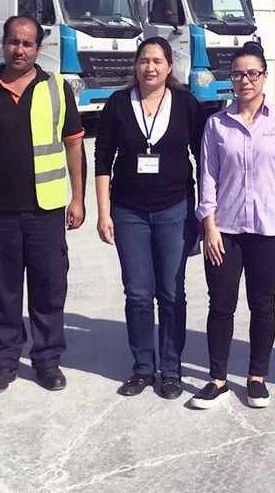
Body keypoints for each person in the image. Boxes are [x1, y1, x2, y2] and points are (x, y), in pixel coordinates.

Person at [0, 15, 86, 394]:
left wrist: (78, 198)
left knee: (49, 289)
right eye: (14, 42)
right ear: (3, 43)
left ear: (38, 49)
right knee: (2, 291)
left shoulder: (56, 88)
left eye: (28, 44)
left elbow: (74, 145)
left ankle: (47, 361)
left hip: (45, 210)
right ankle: (3, 363)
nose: (20, 50)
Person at [190, 42, 275, 410]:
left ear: (264, 76)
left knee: (263, 303)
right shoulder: (216, 124)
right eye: (238, 74)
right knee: (221, 304)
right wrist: (209, 225)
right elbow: (207, 176)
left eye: (252, 73)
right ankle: (217, 380)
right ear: (231, 78)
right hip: (224, 229)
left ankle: (257, 377)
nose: (245, 80)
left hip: (269, 229)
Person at [94, 37, 203, 400]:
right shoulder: (117, 104)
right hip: (129, 213)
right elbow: (102, 159)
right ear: (136, 65)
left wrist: (205, 213)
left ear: (170, 67)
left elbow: (204, 159)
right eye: (144, 60)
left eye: (157, 61)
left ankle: (171, 369)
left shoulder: (185, 103)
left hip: (175, 209)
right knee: (139, 294)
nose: (150, 67)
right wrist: (104, 212)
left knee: (171, 292)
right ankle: (142, 367)